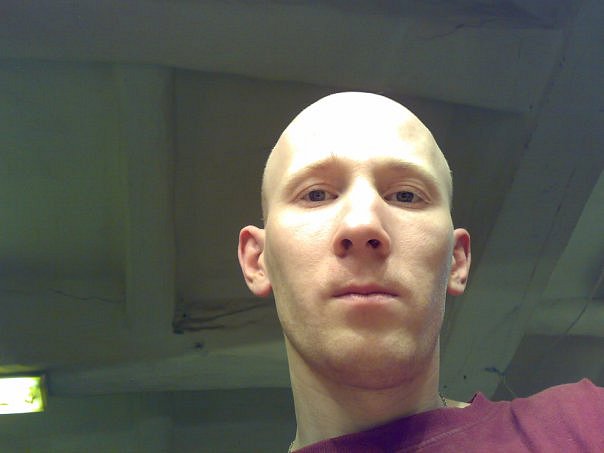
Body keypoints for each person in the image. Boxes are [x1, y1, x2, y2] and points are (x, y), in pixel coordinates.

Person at [237, 92, 604, 452]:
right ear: (258, 261)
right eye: (316, 194)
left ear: (456, 260)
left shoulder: (585, 423)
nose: (363, 224)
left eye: (406, 195)